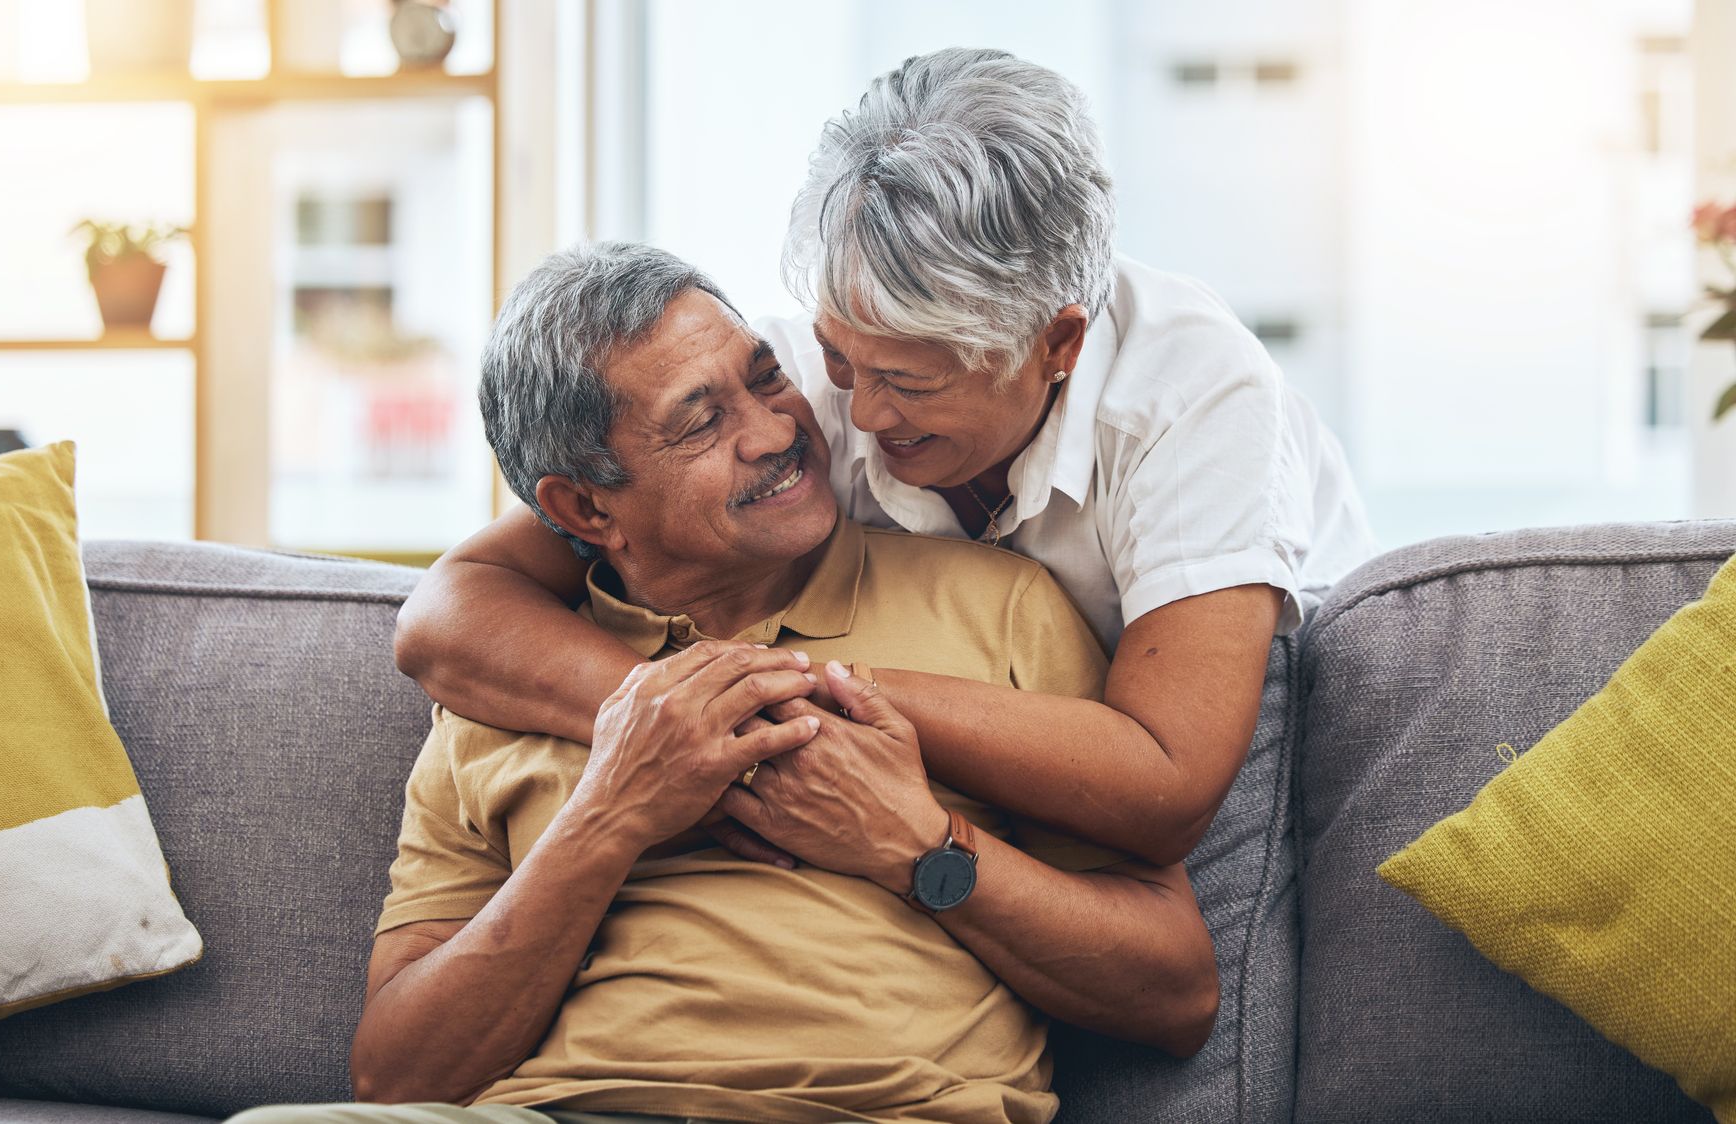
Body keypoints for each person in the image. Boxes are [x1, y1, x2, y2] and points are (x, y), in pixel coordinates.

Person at [227, 243, 1218, 1124]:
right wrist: (607, 818)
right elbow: (393, 1076)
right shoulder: (507, 688)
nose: (776, 430)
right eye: (702, 421)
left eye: (766, 378)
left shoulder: (999, 607)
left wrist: (919, 848)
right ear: (584, 505)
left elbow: (1175, 991)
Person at [394, 48, 1377, 870]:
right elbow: (447, 615)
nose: (856, 411)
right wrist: (687, 720)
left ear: (1056, 345)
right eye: (835, 357)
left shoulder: (1193, 398)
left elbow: (1168, 786)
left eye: (910, 382)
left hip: (1256, 767)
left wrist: (806, 688)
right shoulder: (788, 388)